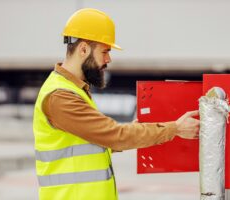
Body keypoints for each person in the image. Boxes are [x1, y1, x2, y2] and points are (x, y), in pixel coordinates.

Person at [33, 8, 200, 200]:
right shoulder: (60, 96)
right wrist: (175, 128)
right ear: (83, 49)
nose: (108, 59)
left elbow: (91, 140)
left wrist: (136, 132)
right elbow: (113, 135)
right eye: (104, 51)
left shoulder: (74, 89)